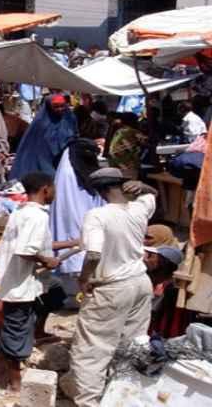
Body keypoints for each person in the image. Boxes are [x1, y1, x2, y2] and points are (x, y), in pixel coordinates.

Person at [61, 169, 157, 407]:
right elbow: (152, 194)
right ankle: (122, 398)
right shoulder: (139, 208)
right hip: (140, 284)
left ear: (99, 191)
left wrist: (84, 279)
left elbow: (93, 253)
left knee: (92, 350)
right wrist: (143, 187)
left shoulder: (97, 215)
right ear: (122, 185)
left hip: (111, 287)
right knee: (131, 345)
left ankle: (90, 402)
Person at [0, 172, 65, 392]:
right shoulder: (36, 216)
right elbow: (26, 250)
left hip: (28, 278)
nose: (55, 193)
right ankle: (14, 382)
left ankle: (38, 332)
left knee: (56, 293)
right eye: (53, 188)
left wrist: (72, 242)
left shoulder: (24, 211)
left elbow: (37, 244)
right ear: (45, 189)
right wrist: (47, 260)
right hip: (18, 281)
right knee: (16, 326)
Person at [49, 139, 105, 307]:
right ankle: (76, 295)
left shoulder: (84, 170)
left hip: (87, 218)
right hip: (73, 220)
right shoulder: (67, 175)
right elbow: (70, 204)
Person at [10, 94, 77, 180]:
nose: (60, 109)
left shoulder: (69, 118)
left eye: (62, 106)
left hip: (65, 157)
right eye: (56, 106)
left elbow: (74, 134)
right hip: (44, 158)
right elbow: (34, 143)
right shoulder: (40, 122)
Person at [107, 112, 145, 180]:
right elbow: (146, 142)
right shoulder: (133, 132)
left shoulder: (119, 131)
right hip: (127, 167)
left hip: (114, 165)